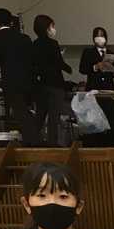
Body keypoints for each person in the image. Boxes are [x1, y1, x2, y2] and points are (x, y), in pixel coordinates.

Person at [0, 8, 38, 145]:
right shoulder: (24, 38)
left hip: (11, 82)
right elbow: (33, 61)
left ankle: (30, 144)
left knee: (18, 114)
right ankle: (32, 140)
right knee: (27, 112)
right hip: (29, 82)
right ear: (11, 22)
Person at [31, 14, 73, 145]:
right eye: (52, 26)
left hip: (41, 85)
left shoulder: (34, 44)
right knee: (53, 117)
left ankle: (33, 142)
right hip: (55, 84)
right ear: (47, 28)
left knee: (40, 115)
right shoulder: (53, 44)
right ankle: (52, 145)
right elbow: (58, 63)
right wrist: (69, 68)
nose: (53, 29)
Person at [78, 26, 114, 146]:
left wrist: (113, 70)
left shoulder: (112, 53)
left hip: (108, 89)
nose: (100, 38)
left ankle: (111, 144)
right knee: (94, 118)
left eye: (102, 35)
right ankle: (94, 144)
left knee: (109, 117)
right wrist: (96, 67)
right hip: (93, 89)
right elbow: (82, 69)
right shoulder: (88, 52)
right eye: (97, 35)